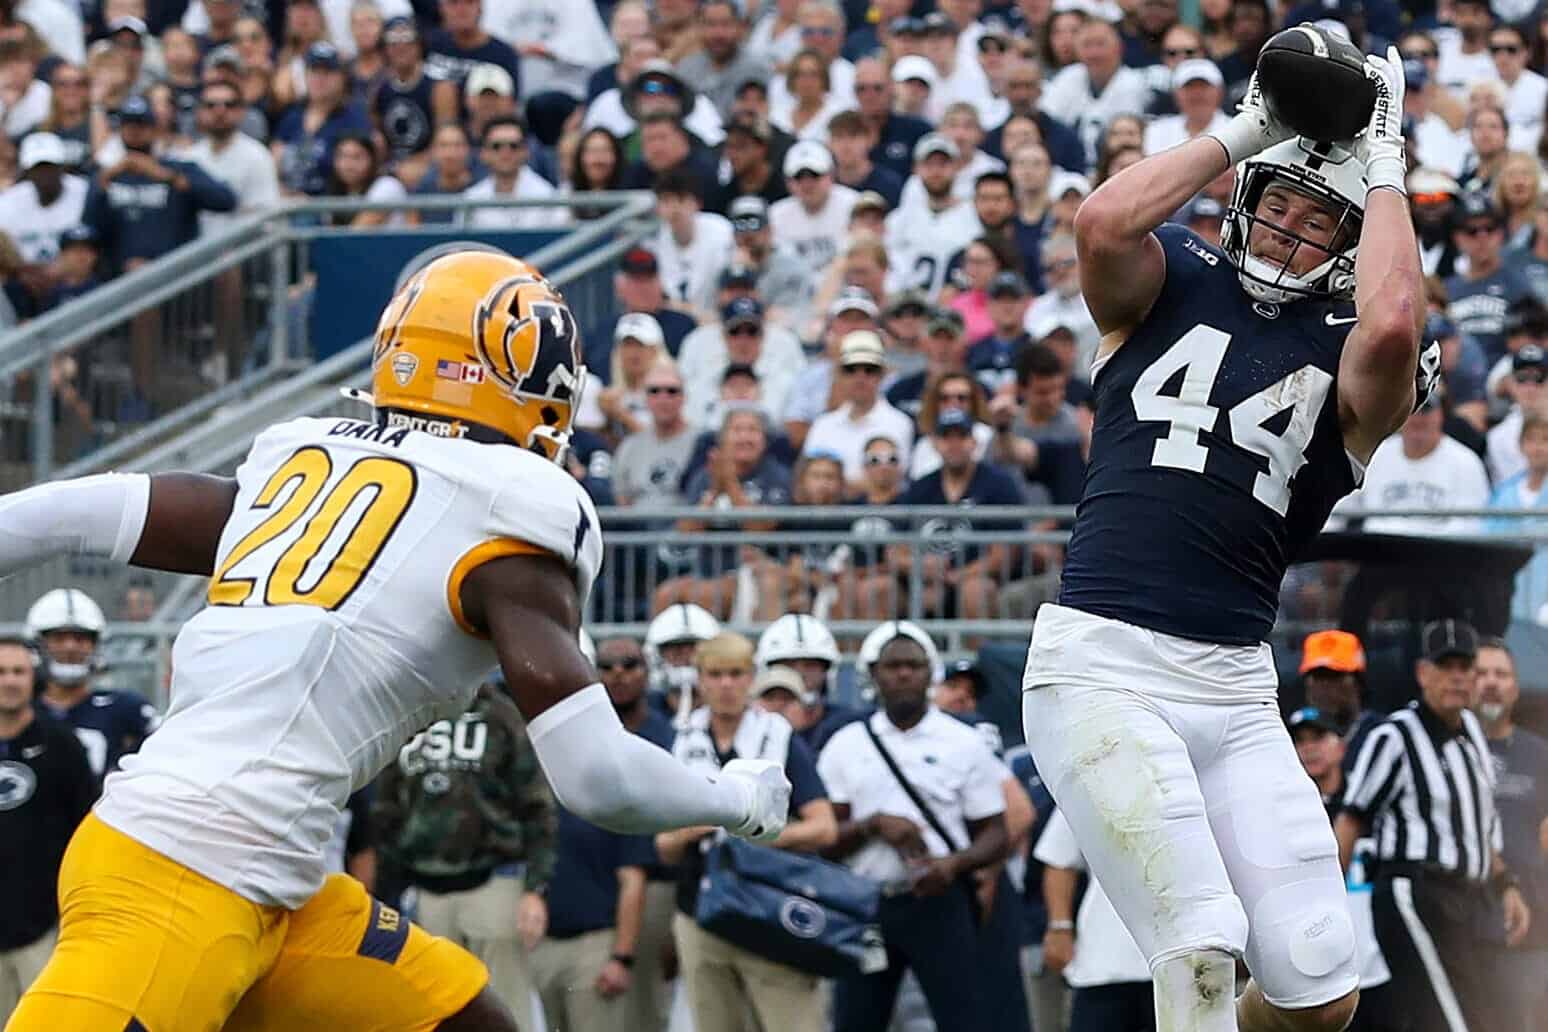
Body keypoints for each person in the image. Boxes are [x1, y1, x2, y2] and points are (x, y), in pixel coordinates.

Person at [0, 250, 791, 1032]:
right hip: (180, 873)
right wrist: (739, 799)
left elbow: (69, 513)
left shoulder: (302, 466)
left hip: (279, 882)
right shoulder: (507, 510)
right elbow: (598, 779)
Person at [1021, 45, 1430, 1032]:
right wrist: (1252, 126)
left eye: (1317, 215)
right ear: (1247, 191)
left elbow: (1394, 322)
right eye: (1278, 201)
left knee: (1319, 985)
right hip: (1103, 664)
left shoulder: (1354, 351)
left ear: (1349, 235)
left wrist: (1381, 164)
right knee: (1200, 950)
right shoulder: (1166, 283)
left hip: (1237, 688)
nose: (1290, 226)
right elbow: (1103, 219)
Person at [1335, 621, 1531, 1032]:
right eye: (1447, 666)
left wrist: (1506, 884)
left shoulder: (1472, 734)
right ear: (1424, 673)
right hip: (1414, 892)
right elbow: (1353, 818)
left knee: (1478, 1015)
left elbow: (1478, 826)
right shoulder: (1395, 736)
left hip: (1467, 901)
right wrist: (1330, 905)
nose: (1458, 677)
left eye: (1466, 667)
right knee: (1451, 1020)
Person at [818, 621, 1011, 1031]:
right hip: (866, 903)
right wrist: (872, 825)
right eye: (893, 666)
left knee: (963, 1019)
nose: (904, 674)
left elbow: (996, 832)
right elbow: (826, 840)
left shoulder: (962, 742)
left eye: (914, 665)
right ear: (873, 674)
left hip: (939, 901)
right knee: (856, 1019)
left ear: (930, 673)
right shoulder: (845, 743)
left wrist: (953, 865)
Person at [655, 632, 836, 1032]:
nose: (726, 685)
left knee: (794, 1023)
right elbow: (664, 846)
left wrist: (755, 828)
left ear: (751, 677)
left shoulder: (778, 735)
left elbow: (824, 827)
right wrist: (700, 826)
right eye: (715, 674)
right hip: (700, 909)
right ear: (699, 679)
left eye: (736, 674)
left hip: (770, 906)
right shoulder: (682, 739)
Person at [372, 678, 555, 1017]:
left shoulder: (501, 715)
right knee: (436, 1010)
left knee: (505, 1006)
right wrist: (388, 888)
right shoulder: (407, 715)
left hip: (494, 880)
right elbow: (386, 809)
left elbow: (537, 805)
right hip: (424, 887)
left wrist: (535, 888)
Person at [0, 637, 94, 1021]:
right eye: (1, 672)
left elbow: (86, 830)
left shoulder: (63, 747)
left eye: (19, 671)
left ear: (34, 678)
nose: (9, 681)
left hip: (44, 930)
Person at [1473, 638, 1548, 1031]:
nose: (1490, 682)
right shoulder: (1447, 750)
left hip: (1531, 935)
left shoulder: (1540, 755)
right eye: (1481, 673)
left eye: (1500, 674)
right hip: (1459, 929)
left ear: (1515, 688)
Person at [529, 802, 651, 1032]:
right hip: (540, 946)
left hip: (594, 945)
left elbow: (633, 881)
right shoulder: (536, 796)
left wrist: (621, 958)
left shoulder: (614, 801)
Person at [1036, 807, 1154, 1032]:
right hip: (1105, 960)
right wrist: (1059, 927)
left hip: (1188, 960)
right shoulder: (1090, 777)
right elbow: (1059, 860)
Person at [26, 588, 157, 784]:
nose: (70, 647)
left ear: (96, 645)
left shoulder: (127, 708)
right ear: (39, 644)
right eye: (59, 638)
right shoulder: (21, 711)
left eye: (80, 638)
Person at [753, 612, 865, 753]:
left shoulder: (847, 725)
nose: (800, 674)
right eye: (788, 665)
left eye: (810, 665)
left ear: (827, 670)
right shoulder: (750, 727)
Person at [459, 117, 567, 230]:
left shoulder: (547, 196)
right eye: (496, 146)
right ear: (484, 153)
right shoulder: (471, 198)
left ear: (526, 152)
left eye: (513, 146)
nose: (505, 152)